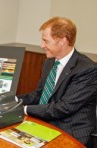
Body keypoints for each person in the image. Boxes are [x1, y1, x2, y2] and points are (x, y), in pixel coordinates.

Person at [17, 16, 97, 146]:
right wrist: (14, 101)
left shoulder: (87, 69)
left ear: (62, 42)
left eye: (46, 41)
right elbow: (39, 94)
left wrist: (23, 109)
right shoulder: (49, 62)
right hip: (45, 123)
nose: (42, 45)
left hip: (70, 132)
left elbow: (63, 108)